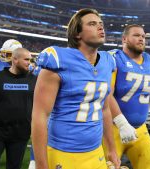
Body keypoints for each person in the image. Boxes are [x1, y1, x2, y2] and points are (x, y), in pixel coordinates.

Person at [32, 8, 120, 169]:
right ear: (76, 34)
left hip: (96, 153)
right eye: (92, 24)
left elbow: (105, 109)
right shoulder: (58, 60)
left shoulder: (108, 61)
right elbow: (39, 116)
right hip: (63, 154)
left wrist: (111, 149)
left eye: (101, 24)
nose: (101, 27)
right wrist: (41, 165)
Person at [104, 24, 150, 169]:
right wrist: (122, 123)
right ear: (124, 39)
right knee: (108, 165)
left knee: (149, 162)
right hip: (113, 128)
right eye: (136, 35)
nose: (141, 39)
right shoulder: (114, 59)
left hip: (139, 129)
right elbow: (106, 95)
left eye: (143, 36)